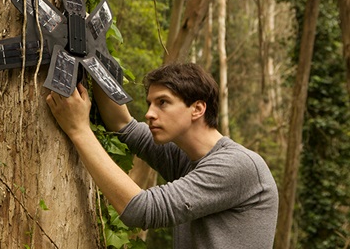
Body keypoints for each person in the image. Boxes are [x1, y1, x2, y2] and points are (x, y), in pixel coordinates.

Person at [45, 62, 278, 248]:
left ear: (198, 108)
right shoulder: (188, 158)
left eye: (162, 103)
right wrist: (91, 57)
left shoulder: (237, 165)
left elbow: (141, 210)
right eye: (150, 103)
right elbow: (124, 125)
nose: (149, 114)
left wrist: (79, 130)